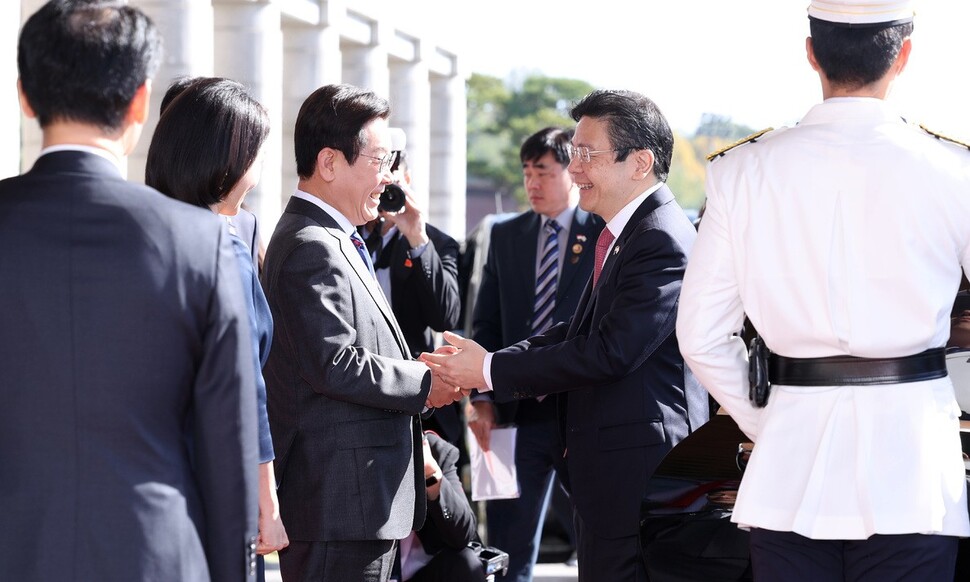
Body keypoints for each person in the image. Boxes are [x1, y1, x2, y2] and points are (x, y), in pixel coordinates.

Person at [676, 1, 970, 579]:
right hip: (913, 470)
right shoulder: (953, 168)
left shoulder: (741, 171)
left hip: (788, 472)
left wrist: (772, 420)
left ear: (812, 54)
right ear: (904, 56)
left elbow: (700, 336)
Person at [0, 2, 259, 580]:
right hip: (154, 556)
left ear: (25, 96)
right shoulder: (201, 243)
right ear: (141, 101)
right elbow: (227, 453)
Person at [423, 89, 709, 581]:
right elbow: (574, 332)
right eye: (574, 154)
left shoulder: (659, 238)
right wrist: (487, 363)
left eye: (586, 154)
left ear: (639, 162)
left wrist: (489, 368)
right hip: (615, 476)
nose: (574, 169)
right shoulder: (628, 233)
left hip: (639, 479)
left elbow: (609, 351)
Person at [261, 83, 463, 582]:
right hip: (338, 506)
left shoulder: (336, 237)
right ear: (329, 162)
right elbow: (335, 362)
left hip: (358, 504)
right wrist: (424, 382)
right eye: (380, 160)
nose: (389, 176)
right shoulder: (311, 244)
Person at [145, 76, 290, 578]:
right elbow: (246, 385)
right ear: (230, 157)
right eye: (258, 149)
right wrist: (267, 502)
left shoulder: (176, 233)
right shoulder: (216, 246)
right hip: (216, 468)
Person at [466, 126, 601, 580]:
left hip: (579, 410)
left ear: (571, 170)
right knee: (508, 547)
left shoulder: (602, 233)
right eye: (526, 172)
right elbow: (485, 323)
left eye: (543, 171)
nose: (532, 183)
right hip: (511, 414)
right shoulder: (506, 235)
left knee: (601, 539)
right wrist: (482, 399)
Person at [359, 141, 464, 447]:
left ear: (407, 180)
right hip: (360, 385)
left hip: (414, 393)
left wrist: (416, 237)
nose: (385, 189)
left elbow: (446, 317)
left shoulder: (436, 243)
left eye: (393, 180)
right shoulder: (349, 238)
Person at [392, 431, 485, 582]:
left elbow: (463, 535)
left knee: (467, 563)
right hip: (364, 571)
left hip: (418, 573)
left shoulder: (434, 449)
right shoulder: (354, 456)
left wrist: (431, 476)